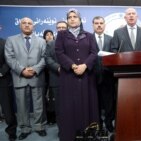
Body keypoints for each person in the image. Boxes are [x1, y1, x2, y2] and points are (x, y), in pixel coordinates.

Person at [55, 9, 99, 141]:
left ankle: (88, 135)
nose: (72, 19)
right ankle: (70, 135)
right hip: (69, 76)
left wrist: (85, 65)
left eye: (75, 17)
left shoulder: (89, 35)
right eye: (70, 17)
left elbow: (94, 52)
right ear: (67, 20)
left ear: (80, 20)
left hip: (87, 77)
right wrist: (73, 66)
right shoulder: (61, 35)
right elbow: (59, 52)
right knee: (69, 106)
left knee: (88, 105)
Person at [4, 17, 47, 140]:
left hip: (37, 76)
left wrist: (35, 69)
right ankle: (25, 128)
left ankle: (40, 127)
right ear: (20, 25)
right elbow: (9, 58)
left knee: (39, 105)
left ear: (33, 26)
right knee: (22, 106)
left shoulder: (41, 41)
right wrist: (22, 70)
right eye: (24, 23)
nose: (27, 25)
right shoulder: (11, 40)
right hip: (19, 77)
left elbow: (44, 58)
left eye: (29, 23)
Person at [92, 16, 115, 132]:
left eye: (101, 23)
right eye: (96, 23)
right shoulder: (88, 39)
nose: (99, 25)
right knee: (94, 102)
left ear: (104, 25)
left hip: (108, 75)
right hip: (92, 76)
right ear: (93, 25)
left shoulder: (111, 39)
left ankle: (109, 122)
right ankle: (98, 124)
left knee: (109, 102)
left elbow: (115, 55)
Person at [45, 21, 68, 127]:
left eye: (64, 27)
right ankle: (61, 129)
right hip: (56, 78)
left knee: (70, 105)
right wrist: (58, 67)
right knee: (58, 106)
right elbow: (47, 59)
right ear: (56, 29)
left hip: (71, 77)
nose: (61, 29)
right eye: (59, 28)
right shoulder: (50, 44)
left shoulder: (73, 42)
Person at [0, 38, 17, 141]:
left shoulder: (5, 42)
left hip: (3, 79)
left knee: (8, 110)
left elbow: (10, 60)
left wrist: (1, 72)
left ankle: (11, 132)